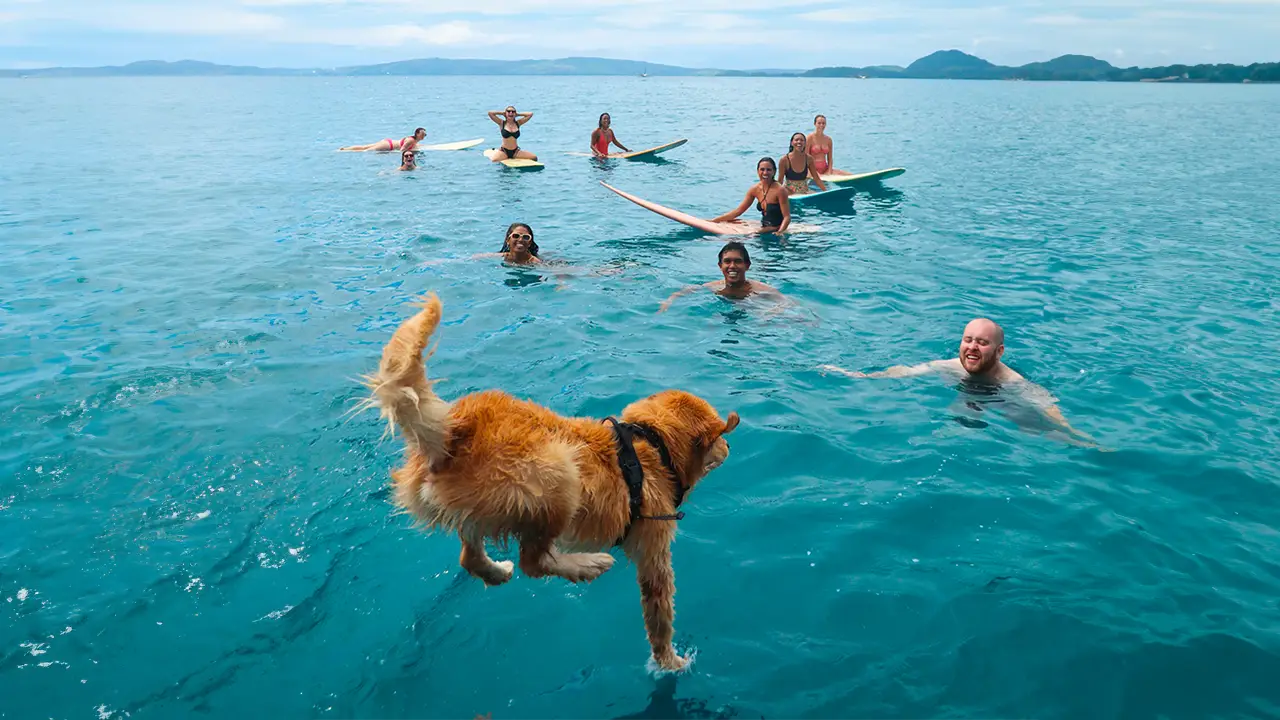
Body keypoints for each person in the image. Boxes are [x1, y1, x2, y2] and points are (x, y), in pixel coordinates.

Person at [819, 318, 1098, 445]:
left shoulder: (1014, 382)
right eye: (968, 340)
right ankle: (957, 431)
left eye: (982, 343)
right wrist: (857, 376)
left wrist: (1078, 436)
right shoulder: (951, 367)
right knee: (964, 408)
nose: (973, 347)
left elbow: (1047, 406)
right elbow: (905, 371)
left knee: (1037, 430)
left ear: (999, 352)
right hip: (973, 397)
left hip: (1006, 401)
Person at [658, 241, 787, 313]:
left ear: (747, 265)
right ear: (720, 266)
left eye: (737, 261)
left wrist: (771, 313)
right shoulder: (715, 287)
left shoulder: (761, 290)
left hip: (753, 309)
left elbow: (787, 303)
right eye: (727, 261)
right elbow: (689, 290)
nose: (732, 266)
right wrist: (669, 301)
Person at [711, 157, 791, 234]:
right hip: (764, 225)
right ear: (757, 171)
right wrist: (714, 221)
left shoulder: (780, 190)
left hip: (775, 227)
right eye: (762, 169)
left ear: (774, 172)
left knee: (749, 235)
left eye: (768, 170)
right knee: (734, 221)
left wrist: (780, 232)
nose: (765, 173)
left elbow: (787, 217)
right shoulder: (755, 189)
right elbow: (738, 211)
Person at [471, 222, 541, 265]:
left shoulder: (535, 263)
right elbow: (476, 257)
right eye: (516, 236)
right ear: (508, 240)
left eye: (526, 237)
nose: (520, 240)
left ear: (530, 243)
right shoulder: (502, 257)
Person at [339, 127, 426, 152]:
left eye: (425, 135)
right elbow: (402, 150)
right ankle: (346, 150)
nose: (424, 136)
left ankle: (345, 148)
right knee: (365, 150)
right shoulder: (411, 140)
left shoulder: (414, 140)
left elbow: (414, 145)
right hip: (388, 145)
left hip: (388, 142)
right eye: (422, 134)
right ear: (417, 134)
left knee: (364, 147)